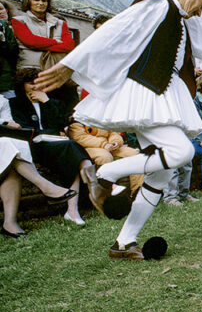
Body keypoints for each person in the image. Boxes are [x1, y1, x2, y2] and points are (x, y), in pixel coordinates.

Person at [34, 0, 202, 260]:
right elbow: (114, 32)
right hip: (147, 94)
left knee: (162, 173)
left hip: (163, 96)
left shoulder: (180, 16)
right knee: (179, 152)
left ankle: (124, 243)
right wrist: (70, 65)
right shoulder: (157, 5)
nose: (199, 13)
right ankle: (105, 173)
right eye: (200, 5)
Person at [10, 68, 92, 225]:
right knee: (71, 147)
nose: (35, 86)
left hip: (56, 146)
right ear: (22, 85)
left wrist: (46, 102)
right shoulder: (15, 104)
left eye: (38, 82)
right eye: (30, 83)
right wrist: (50, 132)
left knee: (71, 149)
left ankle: (72, 210)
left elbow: (61, 124)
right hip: (32, 147)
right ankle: (97, 185)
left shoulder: (53, 102)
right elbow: (26, 130)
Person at [0, 95, 76, 236]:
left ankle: (9, 222)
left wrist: (8, 124)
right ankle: (46, 187)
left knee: (12, 151)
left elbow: (7, 122)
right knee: (6, 145)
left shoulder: (1, 100)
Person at [11, 0, 78, 113]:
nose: (40, 3)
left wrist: (40, 44)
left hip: (57, 74)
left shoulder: (60, 23)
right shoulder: (19, 21)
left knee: (65, 110)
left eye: (44, 0)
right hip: (31, 76)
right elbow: (30, 41)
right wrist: (54, 42)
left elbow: (69, 45)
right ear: (28, 1)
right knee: (38, 112)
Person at [66, 121, 144, 194]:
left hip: (109, 145)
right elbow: (80, 138)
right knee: (104, 156)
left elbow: (113, 132)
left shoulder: (101, 117)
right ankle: (108, 192)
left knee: (134, 153)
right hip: (88, 148)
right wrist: (103, 144)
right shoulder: (77, 121)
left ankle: (137, 191)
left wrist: (115, 142)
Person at [0, 1, 19, 99]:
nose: (0, 12)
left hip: (15, 76)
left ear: (7, 10)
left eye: (1, 9)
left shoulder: (18, 27)